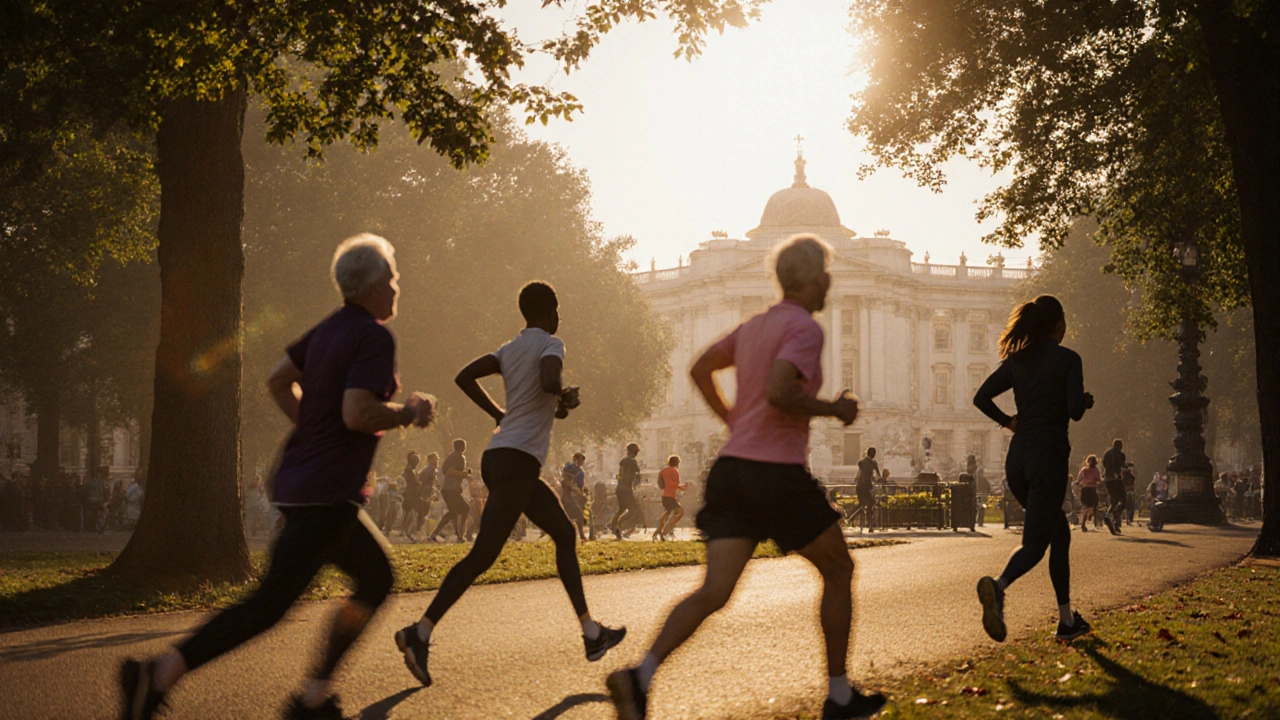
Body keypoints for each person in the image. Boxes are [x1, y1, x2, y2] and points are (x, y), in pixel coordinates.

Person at [119, 234, 436, 720]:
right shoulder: (373, 336)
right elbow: (357, 413)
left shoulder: (328, 329)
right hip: (327, 493)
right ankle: (162, 674)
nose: (397, 287)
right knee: (271, 604)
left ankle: (311, 697)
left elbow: (276, 378)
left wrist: (311, 426)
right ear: (373, 286)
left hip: (301, 483)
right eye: (391, 278)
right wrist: (408, 412)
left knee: (372, 578)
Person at [607, 234, 884, 720]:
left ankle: (640, 675)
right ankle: (839, 695)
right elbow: (780, 392)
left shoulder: (756, 324)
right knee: (839, 571)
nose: (830, 283)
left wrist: (731, 419)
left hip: (732, 470)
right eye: (826, 273)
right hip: (775, 472)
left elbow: (700, 368)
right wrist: (833, 408)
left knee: (715, 591)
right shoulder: (805, 328)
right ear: (814, 278)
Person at [395, 281, 625, 688]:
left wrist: (500, 411)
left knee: (563, 534)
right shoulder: (553, 344)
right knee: (482, 556)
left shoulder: (509, 349)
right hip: (517, 462)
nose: (560, 318)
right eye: (558, 311)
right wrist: (562, 394)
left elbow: (464, 377)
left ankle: (592, 635)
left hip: (501, 457)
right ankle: (420, 632)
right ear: (551, 311)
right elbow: (550, 376)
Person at [973, 294, 1096, 646]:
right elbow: (1074, 410)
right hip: (1049, 457)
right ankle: (998, 587)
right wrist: (1083, 400)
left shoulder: (1017, 360)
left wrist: (1009, 422)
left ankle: (1067, 620)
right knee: (1035, 544)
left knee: (1060, 535)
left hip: (1018, 460)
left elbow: (980, 398)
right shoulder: (1068, 359)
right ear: (1058, 325)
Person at [429, 439, 471, 542]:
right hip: (451, 489)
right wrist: (465, 474)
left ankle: (441, 534)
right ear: (463, 447)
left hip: (449, 489)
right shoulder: (459, 457)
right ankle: (460, 535)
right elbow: (449, 472)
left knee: (454, 512)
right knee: (465, 508)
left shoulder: (451, 456)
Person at [403, 452, 437, 541]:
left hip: (412, 494)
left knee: (411, 514)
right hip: (412, 495)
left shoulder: (410, 471)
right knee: (420, 512)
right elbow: (412, 483)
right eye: (416, 461)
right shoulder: (408, 471)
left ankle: (409, 533)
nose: (417, 464)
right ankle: (416, 532)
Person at [612, 443, 643, 539]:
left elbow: (620, 474)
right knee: (633, 510)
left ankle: (614, 527)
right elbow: (636, 474)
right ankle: (619, 526)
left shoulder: (623, 461)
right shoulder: (632, 461)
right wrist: (636, 482)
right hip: (626, 489)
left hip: (620, 488)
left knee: (621, 510)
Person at [653, 455, 687, 541]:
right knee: (680, 511)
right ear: (677, 463)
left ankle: (658, 530)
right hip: (670, 496)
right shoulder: (675, 471)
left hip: (664, 496)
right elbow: (674, 483)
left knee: (667, 512)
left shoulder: (663, 470)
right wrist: (682, 487)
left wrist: (678, 487)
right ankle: (665, 532)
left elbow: (665, 483)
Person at [561, 452, 589, 541]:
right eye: (580, 460)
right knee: (578, 515)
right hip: (568, 496)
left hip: (578, 496)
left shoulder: (581, 471)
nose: (581, 462)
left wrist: (584, 491)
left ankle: (580, 535)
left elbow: (581, 485)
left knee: (579, 516)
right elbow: (566, 481)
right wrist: (574, 488)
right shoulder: (569, 467)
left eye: (582, 461)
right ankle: (581, 535)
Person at [855, 448, 879, 532]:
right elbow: (878, 475)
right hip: (866, 486)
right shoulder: (873, 463)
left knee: (862, 504)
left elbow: (860, 473)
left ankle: (862, 522)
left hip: (859, 486)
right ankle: (869, 523)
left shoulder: (861, 462)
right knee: (871, 503)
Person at [1076, 456, 1101, 532]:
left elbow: (1078, 480)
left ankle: (1083, 524)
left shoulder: (1083, 470)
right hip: (1092, 490)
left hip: (1085, 490)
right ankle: (1094, 523)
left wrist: (1078, 483)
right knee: (1095, 506)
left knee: (1086, 508)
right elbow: (1098, 479)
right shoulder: (1096, 470)